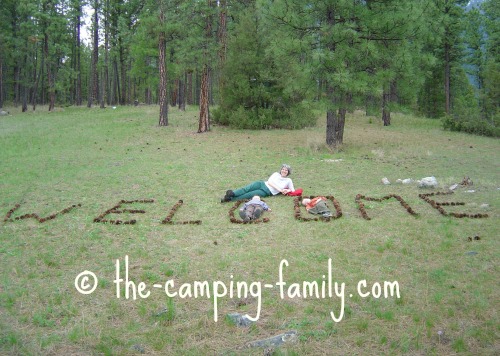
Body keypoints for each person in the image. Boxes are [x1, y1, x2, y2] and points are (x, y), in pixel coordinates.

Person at [221, 164, 295, 202]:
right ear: (281, 170)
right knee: (246, 189)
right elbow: (270, 182)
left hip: (266, 191)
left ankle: (229, 199)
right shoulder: (276, 174)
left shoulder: (288, 180)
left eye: (286, 170)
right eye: (283, 169)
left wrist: (287, 190)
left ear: (288, 172)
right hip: (262, 184)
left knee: (248, 195)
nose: (284, 171)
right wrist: (281, 190)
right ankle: (232, 194)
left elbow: (293, 191)